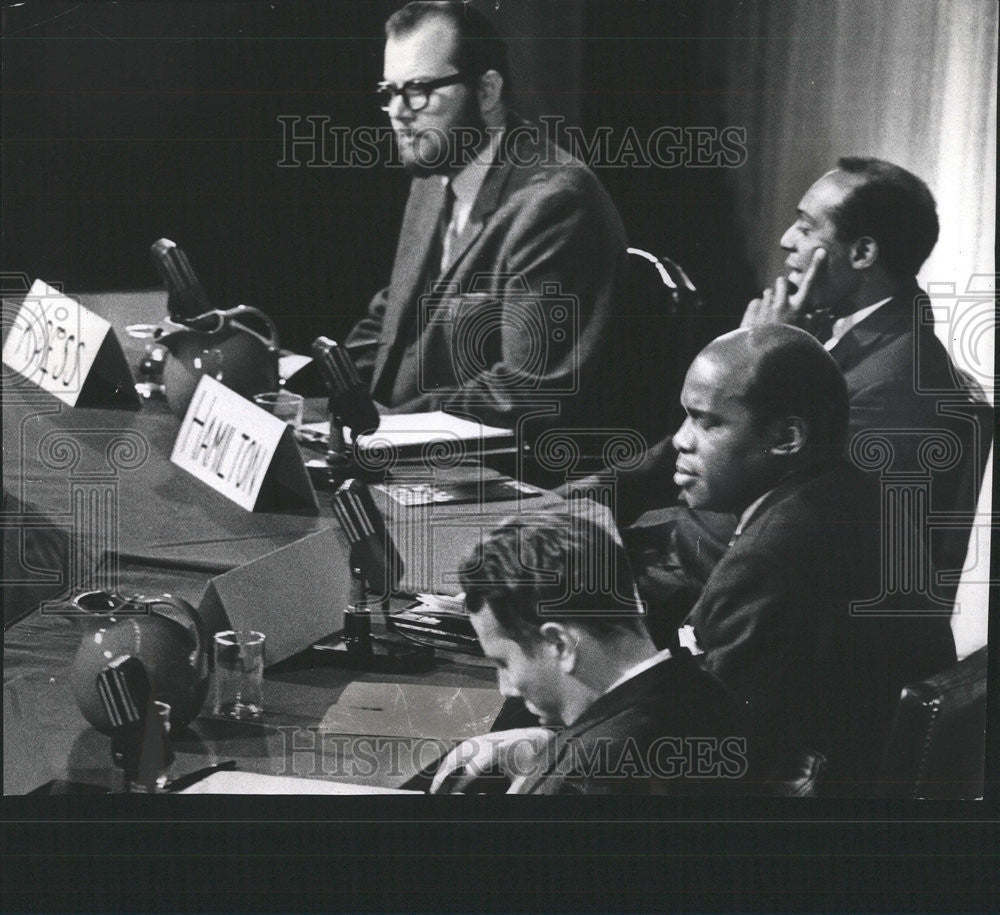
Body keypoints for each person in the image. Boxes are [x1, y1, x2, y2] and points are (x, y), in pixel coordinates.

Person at [621, 158, 991, 629]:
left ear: (862, 253)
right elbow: (704, 443)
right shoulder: (839, 331)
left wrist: (756, 363)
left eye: (807, 227)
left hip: (750, 604)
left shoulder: (893, 381)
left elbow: (783, 535)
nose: (786, 240)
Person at [673, 325, 956, 795]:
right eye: (685, 417)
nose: (681, 440)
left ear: (786, 437)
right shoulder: (859, 494)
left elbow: (706, 749)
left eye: (708, 422)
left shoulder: (770, 557)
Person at [344, 1, 628, 431]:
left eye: (418, 89)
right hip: (407, 444)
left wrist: (389, 427)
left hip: (498, 469)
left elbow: (529, 389)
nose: (399, 112)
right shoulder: (433, 175)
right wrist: (319, 389)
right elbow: (395, 316)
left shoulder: (555, 202)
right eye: (389, 92)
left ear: (488, 91)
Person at [430, 512, 749, 795]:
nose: (506, 687)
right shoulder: (708, 692)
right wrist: (552, 746)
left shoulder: (591, 773)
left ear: (560, 644)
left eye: (503, 663)